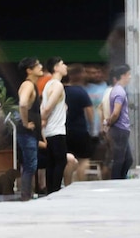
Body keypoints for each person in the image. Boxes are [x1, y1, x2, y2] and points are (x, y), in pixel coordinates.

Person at [16, 57, 44, 201]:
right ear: (29, 70)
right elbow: (22, 104)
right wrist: (26, 123)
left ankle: (27, 195)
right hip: (26, 132)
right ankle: (26, 197)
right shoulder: (28, 85)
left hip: (31, 133)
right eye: (37, 65)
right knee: (30, 166)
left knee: (30, 165)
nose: (41, 67)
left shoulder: (31, 85)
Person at [41, 57, 68, 194]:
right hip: (57, 130)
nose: (66, 66)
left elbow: (43, 106)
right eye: (63, 64)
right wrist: (44, 117)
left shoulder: (48, 85)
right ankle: (55, 190)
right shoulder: (57, 85)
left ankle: (50, 190)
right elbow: (47, 108)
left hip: (50, 130)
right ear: (56, 68)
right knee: (60, 161)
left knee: (51, 162)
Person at [64, 63, 94, 185]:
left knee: (67, 159)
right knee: (84, 160)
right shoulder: (81, 92)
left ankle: (67, 184)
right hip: (80, 131)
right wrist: (92, 128)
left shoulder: (59, 91)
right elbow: (89, 112)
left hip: (63, 131)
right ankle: (81, 185)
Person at [106, 64, 133, 180]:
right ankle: (116, 180)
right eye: (128, 74)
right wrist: (110, 122)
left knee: (127, 159)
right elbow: (116, 112)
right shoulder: (119, 92)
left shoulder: (119, 90)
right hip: (120, 129)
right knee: (120, 159)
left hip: (121, 129)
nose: (130, 77)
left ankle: (121, 178)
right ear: (123, 76)